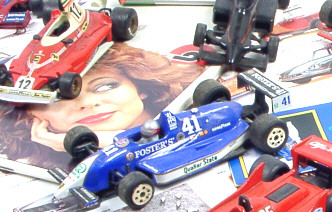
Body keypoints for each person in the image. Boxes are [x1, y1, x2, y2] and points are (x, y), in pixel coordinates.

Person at [0, 43, 202, 169]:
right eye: (59, 98)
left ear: (140, 86)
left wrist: (116, 141)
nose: (87, 103)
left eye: (105, 86)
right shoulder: (41, 166)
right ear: (30, 114)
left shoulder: (197, 106)